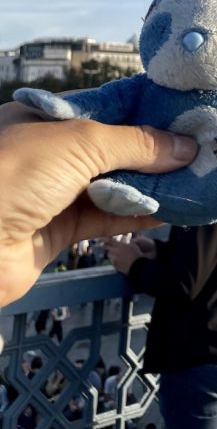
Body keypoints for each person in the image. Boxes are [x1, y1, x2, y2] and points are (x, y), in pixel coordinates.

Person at [0, 101, 198, 309]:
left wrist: (136, 266)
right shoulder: (212, 198)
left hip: (196, 335)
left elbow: (189, 281)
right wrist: (161, 250)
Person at [105, 209, 217, 429]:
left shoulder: (210, 188)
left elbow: (183, 283)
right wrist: (159, 251)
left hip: (204, 358)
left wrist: (135, 265)